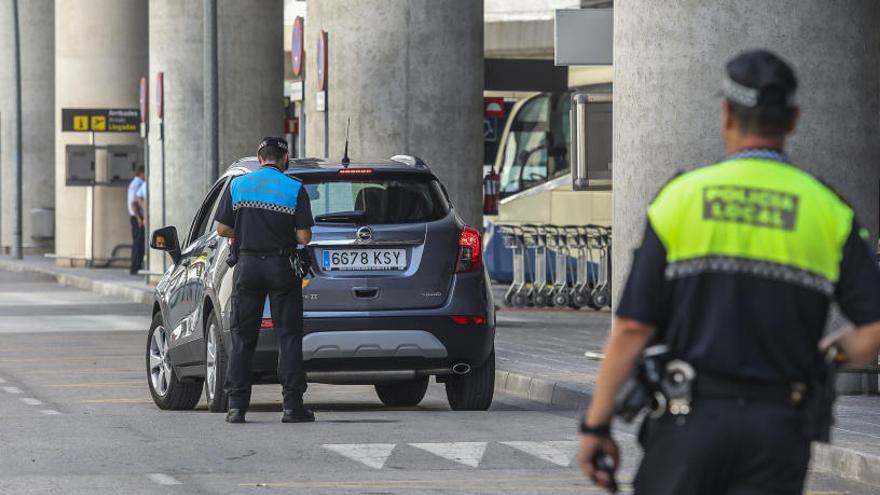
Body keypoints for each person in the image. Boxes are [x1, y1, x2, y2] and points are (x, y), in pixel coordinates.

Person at [577, 50, 880, 494]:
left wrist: (596, 425)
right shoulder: (829, 211)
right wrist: (830, 354)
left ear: (726, 115)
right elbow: (874, 327)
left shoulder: (680, 199)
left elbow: (631, 329)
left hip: (690, 424)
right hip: (779, 433)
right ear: (793, 120)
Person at [214, 137, 315, 424]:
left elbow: (222, 228)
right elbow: (304, 237)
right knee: (289, 336)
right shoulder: (294, 187)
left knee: (243, 336)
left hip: (247, 265)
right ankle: (292, 407)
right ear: (284, 159)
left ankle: (237, 407)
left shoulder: (238, 185)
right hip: (282, 266)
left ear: (260, 158)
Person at [127, 166, 146, 275]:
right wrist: (139, 218)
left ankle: (137, 265)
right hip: (137, 218)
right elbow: (133, 203)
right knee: (138, 243)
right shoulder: (137, 184)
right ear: (142, 173)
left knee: (139, 242)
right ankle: (135, 267)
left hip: (136, 217)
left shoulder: (136, 184)